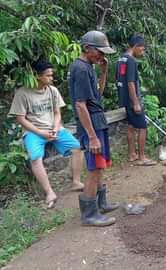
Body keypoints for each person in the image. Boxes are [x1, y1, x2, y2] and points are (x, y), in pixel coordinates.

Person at [8, 59, 84, 209]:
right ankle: (49, 192)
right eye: (48, 75)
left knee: (77, 147)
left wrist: (55, 128)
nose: (51, 78)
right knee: (35, 158)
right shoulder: (23, 93)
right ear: (38, 76)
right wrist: (40, 132)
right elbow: (20, 118)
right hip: (33, 131)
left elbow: (57, 113)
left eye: (51, 75)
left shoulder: (52, 90)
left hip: (54, 129)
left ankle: (76, 181)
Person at [68, 30, 119, 226]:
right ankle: (89, 214)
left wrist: (104, 71)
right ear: (88, 48)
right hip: (91, 125)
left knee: (101, 165)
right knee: (95, 166)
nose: (102, 56)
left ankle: (101, 203)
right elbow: (80, 105)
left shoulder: (88, 66)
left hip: (97, 120)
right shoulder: (80, 69)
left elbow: (97, 94)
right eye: (100, 52)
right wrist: (92, 137)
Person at [115, 35, 156, 166]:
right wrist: (136, 102)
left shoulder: (121, 59)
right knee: (143, 127)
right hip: (132, 100)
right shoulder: (131, 61)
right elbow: (131, 82)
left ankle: (132, 154)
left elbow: (119, 80)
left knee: (131, 127)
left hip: (124, 99)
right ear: (136, 46)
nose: (142, 52)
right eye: (142, 49)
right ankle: (142, 157)